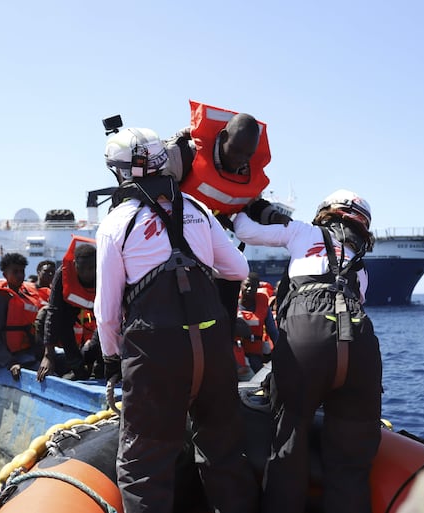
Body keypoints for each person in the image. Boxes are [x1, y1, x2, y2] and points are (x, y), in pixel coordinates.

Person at [96, 127, 258, 513]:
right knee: (223, 452)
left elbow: (106, 313)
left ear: (119, 172)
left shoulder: (116, 224)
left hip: (155, 354)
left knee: (143, 465)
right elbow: (238, 268)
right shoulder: (198, 210)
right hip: (213, 349)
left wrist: (112, 361)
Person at [233, 188, 382, 513]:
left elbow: (244, 231)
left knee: (288, 441)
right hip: (360, 343)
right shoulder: (361, 268)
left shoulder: (304, 231)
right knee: (353, 462)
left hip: (308, 335)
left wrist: (247, 205)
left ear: (326, 212)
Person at [162, 101, 291, 337]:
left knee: (233, 275)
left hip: (211, 235)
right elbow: (152, 187)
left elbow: (252, 204)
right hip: (173, 237)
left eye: (248, 154)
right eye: (237, 150)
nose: (242, 159)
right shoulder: (185, 154)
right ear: (223, 137)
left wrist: (274, 216)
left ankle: (224, 345)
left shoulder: (247, 170)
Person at [37, 236, 97, 382]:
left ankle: (100, 367)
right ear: (75, 264)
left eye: (91, 268)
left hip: (100, 309)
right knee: (61, 323)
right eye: (82, 269)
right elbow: (54, 313)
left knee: (108, 329)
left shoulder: (107, 274)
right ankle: (77, 369)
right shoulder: (62, 274)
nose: (87, 274)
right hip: (70, 307)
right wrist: (48, 355)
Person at [0, 252, 43, 380]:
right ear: (5, 275)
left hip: (24, 354)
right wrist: (10, 363)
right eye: (15, 272)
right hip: (4, 360)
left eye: (22, 271)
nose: (20, 275)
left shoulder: (23, 296)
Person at [237, 272, 279, 373]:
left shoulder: (263, 303)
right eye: (247, 285)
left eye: (254, 287)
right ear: (241, 285)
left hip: (254, 353)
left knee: (258, 375)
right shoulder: (231, 302)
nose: (250, 289)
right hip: (235, 351)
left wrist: (281, 351)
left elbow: (272, 331)